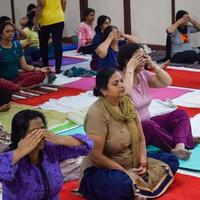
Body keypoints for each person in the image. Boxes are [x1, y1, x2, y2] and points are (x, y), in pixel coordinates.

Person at [79, 68, 179, 200]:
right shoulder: (97, 114)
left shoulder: (128, 103)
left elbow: (141, 139)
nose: (122, 85)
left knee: (171, 160)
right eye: (115, 83)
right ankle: (133, 183)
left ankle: (135, 184)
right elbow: (96, 156)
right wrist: (124, 171)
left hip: (131, 160)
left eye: (121, 81)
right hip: (104, 168)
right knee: (120, 183)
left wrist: (143, 163)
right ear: (103, 90)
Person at [117, 43, 198, 160]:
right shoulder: (118, 78)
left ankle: (180, 145)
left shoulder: (142, 74)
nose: (143, 60)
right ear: (127, 61)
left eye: (144, 56)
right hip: (132, 130)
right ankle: (183, 139)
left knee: (180, 114)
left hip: (148, 121)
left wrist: (154, 66)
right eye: (139, 58)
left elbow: (167, 82)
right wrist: (130, 68)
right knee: (150, 126)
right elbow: (125, 93)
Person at [0, 109, 93, 199]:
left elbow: (88, 145)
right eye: (35, 132)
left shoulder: (50, 149)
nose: (41, 135)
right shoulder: (12, 158)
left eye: (43, 129)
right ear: (21, 135)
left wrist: (60, 139)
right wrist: (20, 151)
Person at [0, 22, 50, 92]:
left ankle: (15, 86)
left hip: (17, 78)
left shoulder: (17, 45)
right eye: (7, 31)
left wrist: (38, 69)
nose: (11, 33)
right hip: (4, 79)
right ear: (1, 34)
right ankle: (20, 87)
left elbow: (24, 66)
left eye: (12, 31)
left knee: (41, 74)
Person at [34, 0, 67, 73]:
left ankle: (46, 67)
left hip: (45, 19)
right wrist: (60, 13)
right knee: (57, 44)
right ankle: (58, 68)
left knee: (43, 45)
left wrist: (36, 22)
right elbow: (64, 3)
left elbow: (41, 5)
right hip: (59, 18)